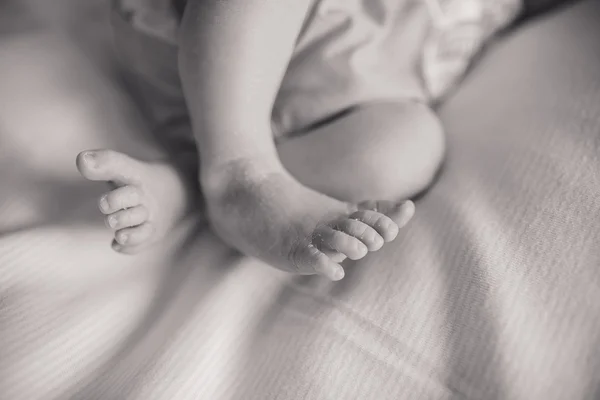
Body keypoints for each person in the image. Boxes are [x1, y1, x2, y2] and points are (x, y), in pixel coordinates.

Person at [76, 0, 522, 281]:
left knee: (411, 146)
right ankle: (240, 167)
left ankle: (199, 185)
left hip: (350, 102)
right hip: (216, 31)